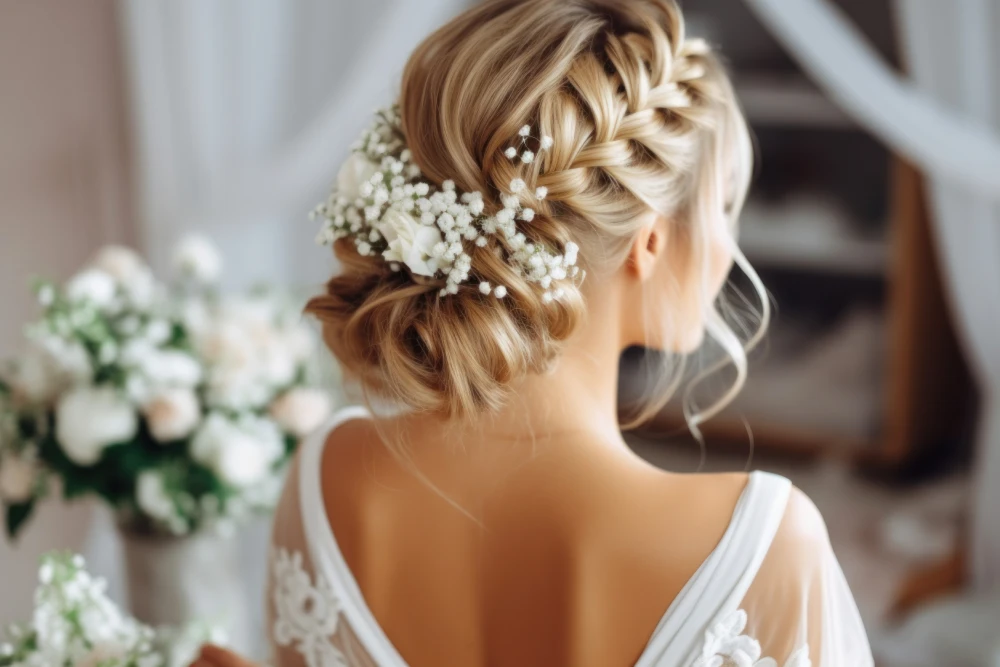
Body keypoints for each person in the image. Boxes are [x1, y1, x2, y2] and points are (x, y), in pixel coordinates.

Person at [195, 0, 872, 665]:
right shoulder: (763, 544)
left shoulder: (327, 478)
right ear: (650, 242)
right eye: (721, 205)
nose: (728, 247)